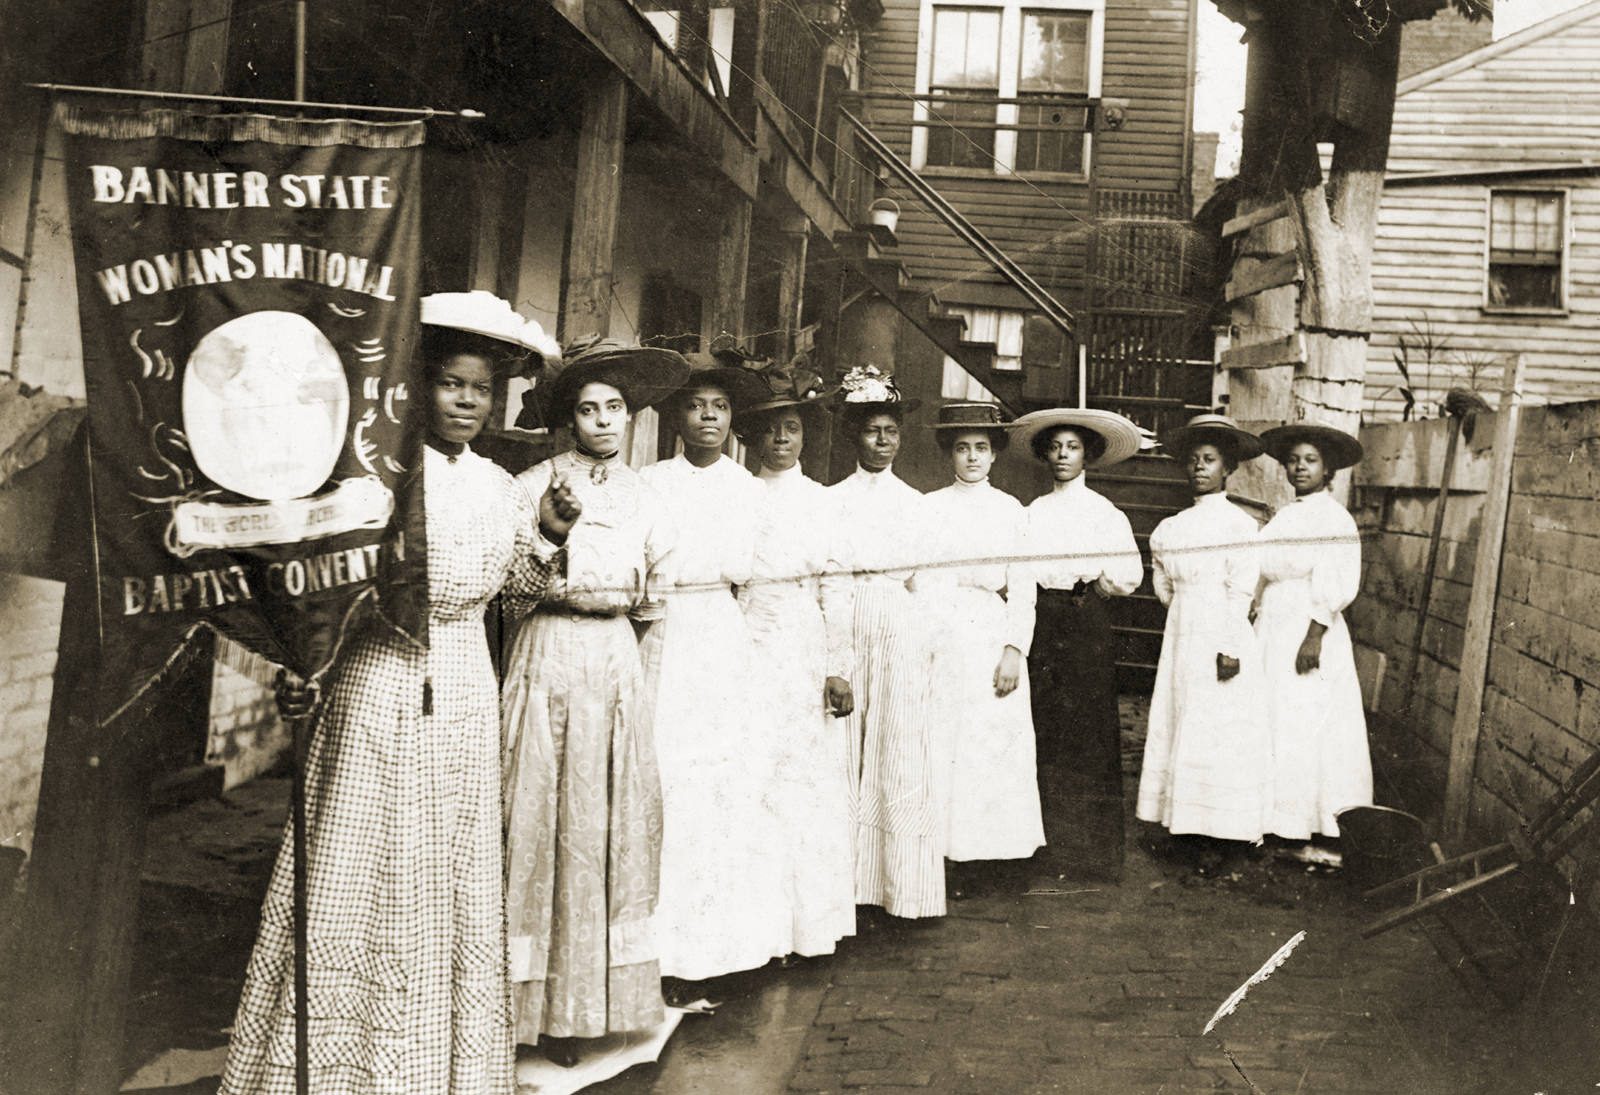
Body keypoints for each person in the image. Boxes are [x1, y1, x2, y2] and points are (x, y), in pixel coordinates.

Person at [221, 291, 579, 1095]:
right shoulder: (377, 471)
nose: (465, 401)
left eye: (479, 390)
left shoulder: (500, 485)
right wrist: (299, 665)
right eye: (451, 384)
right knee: (362, 858)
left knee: (447, 870)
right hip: (378, 678)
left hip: (462, 686)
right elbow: (319, 582)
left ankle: (437, 1072)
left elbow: (512, 596)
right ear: (420, 386)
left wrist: (550, 532)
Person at [500, 337, 688, 1067]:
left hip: (614, 660)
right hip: (548, 649)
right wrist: (553, 533)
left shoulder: (648, 497)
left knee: (604, 822)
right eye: (588, 409)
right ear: (568, 419)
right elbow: (512, 586)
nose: (604, 421)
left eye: (614, 408)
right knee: (539, 814)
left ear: (631, 416)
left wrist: (640, 693)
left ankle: (595, 1007)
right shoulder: (532, 485)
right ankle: (531, 1007)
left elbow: (658, 603)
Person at [638, 350, 788, 990]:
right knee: (667, 780)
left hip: (723, 642)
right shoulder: (649, 483)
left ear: (732, 420)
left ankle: (729, 949)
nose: (707, 416)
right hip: (664, 636)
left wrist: (750, 662)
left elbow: (762, 587)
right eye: (695, 405)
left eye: (719, 407)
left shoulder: (751, 491)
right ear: (675, 415)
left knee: (726, 785)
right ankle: (661, 953)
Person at [734, 357, 857, 958]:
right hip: (748, 636)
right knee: (752, 775)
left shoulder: (825, 503)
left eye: (793, 429)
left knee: (803, 782)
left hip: (804, 643)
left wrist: (839, 666)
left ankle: (804, 928)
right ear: (751, 436)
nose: (781, 440)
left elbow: (836, 585)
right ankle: (756, 931)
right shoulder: (739, 495)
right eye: (771, 429)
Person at [1009, 407, 1146, 882]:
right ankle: (1048, 847)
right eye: (1056, 447)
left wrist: (1096, 589)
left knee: (1089, 732)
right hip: (1044, 621)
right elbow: (1021, 574)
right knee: (1044, 728)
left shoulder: (1104, 513)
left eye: (1072, 447)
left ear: (1087, 454)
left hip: (1085, 621)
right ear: (1046, 455)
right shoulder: (1032, 513)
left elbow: (1130, 574)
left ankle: (1093, 854)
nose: (1063, 455)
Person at [829, 365, 944, 920]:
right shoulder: (831, 500)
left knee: (898, 748)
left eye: (890, 432)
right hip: (848, 616)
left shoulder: (916, 504)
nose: (881, 441)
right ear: (855, 435)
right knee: (845, 747)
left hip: (899, 620)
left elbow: (928, 584)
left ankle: (902, 888)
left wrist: (923, 646)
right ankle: (845, 887)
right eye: (872, 430)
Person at [921, 403, 1044, 896]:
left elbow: (1024, 587)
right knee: (945, 742)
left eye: (981, 448)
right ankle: (946, 852)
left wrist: (1015, 648)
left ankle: (997, 855)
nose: (972, 457)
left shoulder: (1011, 510)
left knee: (994, 742)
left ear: (994, 456)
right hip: (944, 629)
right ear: (949, 454)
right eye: (962, 448)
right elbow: (922, 582)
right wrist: (926, 641)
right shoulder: (929, 507)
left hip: (992, 630)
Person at [1136, 413, 1271, 859]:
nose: (1199, 467)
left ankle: (1221, 830)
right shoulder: (1171, 529)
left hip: (1221, 634)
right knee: (1181, 719)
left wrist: (1228, 646)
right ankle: (1183, 824)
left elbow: (1241, 591)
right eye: (1193, 459)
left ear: (1227, 468)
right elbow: (1163, 585)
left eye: (1209, 460)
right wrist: (1184, 613)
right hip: (1183, 634)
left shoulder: (1239, 526)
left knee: (1217, 728)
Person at [1254, 423, 1373, 842]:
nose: (1300, 467)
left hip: (1308, 625)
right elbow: (1264, 569)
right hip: (1274, 623)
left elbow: (1337, 580)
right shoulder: (1286, 515)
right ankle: (1272, 817)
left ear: (1328, 470)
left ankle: (1308, 819)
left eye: (1310, 461)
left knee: (1303, 717)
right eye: (1293, 460)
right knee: (1273, 716)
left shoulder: (1333, 518)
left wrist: (1314, 635)